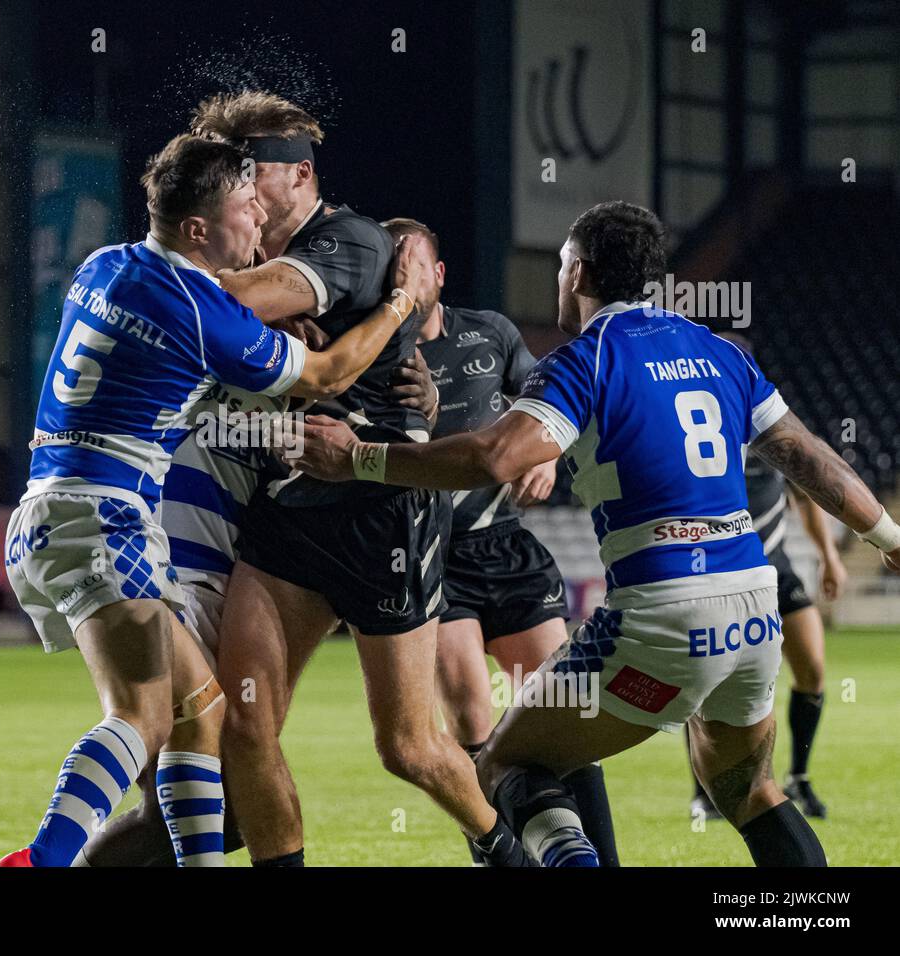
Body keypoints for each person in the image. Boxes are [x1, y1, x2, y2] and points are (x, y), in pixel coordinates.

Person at [292, 200, 900, 866]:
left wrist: (359, 458)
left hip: (662, 613)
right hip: (753, 613)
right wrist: (890, 538)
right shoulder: (717, 351)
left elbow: (495, 457)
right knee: (749, 790)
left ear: (578, 272)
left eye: (560, 267)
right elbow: (806, 454)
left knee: (503, 765)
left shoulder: (585, 358)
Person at [0, 132, 424, 867]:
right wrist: (400, 305)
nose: (258, 226)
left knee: (204, 712)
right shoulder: (200, 309)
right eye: (244, 211)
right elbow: (323, 376)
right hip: (107, 517)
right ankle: (42, 859)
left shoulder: (104, 266)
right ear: (198, 228)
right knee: (142, 714)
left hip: (48, 510)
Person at [191, 91, 525, 867]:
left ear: (299, 174)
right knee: (244, 724)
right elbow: (228, 315)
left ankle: (504, 849)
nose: (236, 187)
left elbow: (216, 303)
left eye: (250, 172)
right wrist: (263, 329)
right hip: (288, 505)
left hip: (380, 512)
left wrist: (252, 314)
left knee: (409, 747)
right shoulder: (253, 257)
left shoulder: (351, 240)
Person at [383, 216, 619, 865]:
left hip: (506, 543)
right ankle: (500, 852)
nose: (401, 275)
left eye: (411, 263)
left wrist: (545, 457)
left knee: (561, 711)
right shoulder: (373, 352)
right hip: (434, 555)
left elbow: (549, 405)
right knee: (469, 711)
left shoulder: (490, 333)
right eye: (390, 266)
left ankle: (592, 852)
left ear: (438, 274)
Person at [687, 333, 845, 822]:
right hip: (719, 565)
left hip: (776, 563)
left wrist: (829, 557)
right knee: (706, 683)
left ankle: (798, 776)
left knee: (813, 670)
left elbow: (804, 494)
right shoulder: (692, 423)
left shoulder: (771, 424)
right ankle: (706, 791)